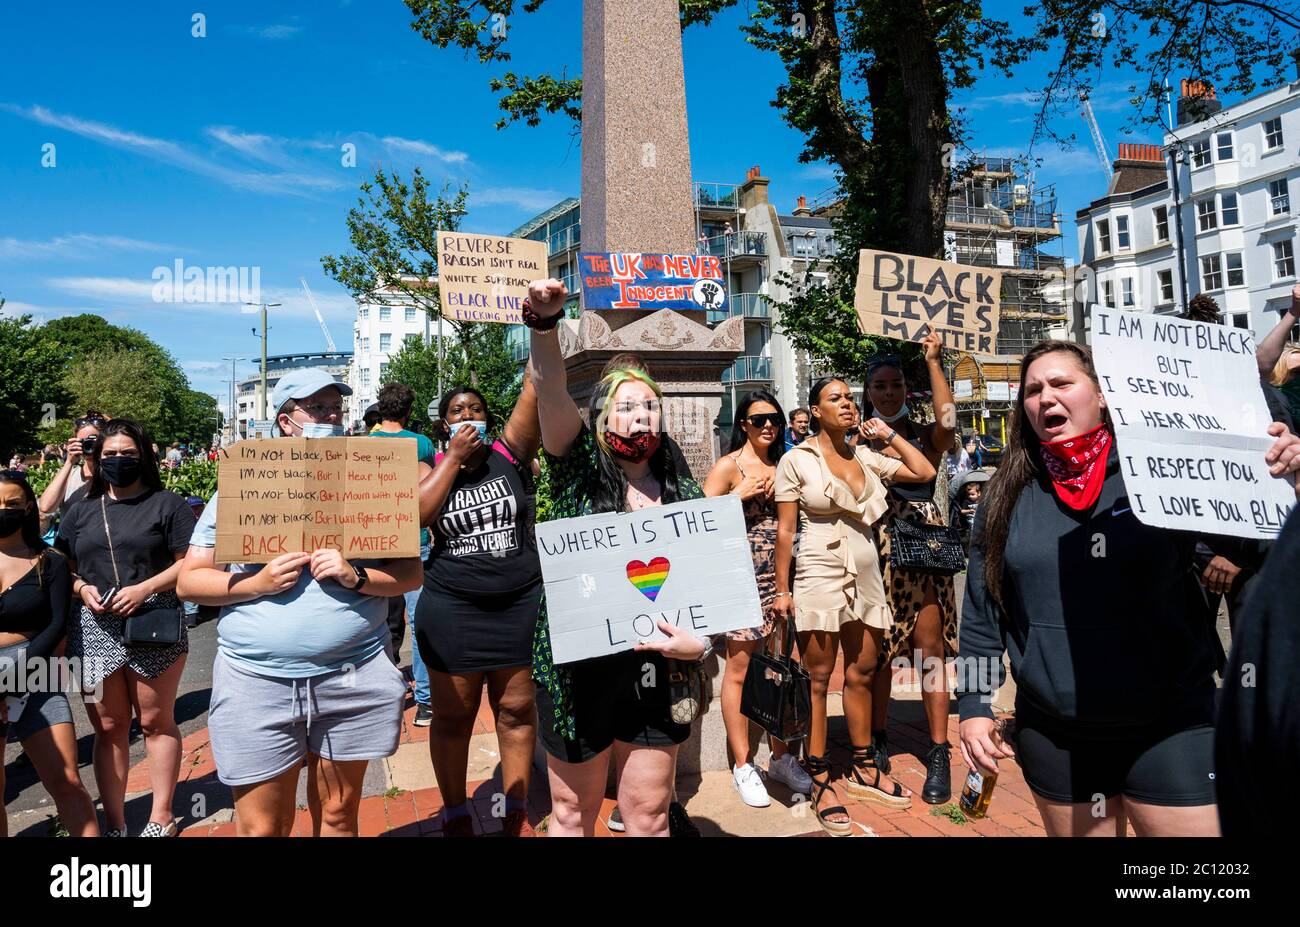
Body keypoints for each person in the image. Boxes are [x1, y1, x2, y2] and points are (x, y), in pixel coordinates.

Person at [956, 340, 1300, 837]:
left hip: (1171, 725)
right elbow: (982, 612)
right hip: (1058, 734)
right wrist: (972, 706)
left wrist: (1279, 477)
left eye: (1061, 383)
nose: (1045, 398)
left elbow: (1260, 547)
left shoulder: (1164, 473)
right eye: (1032, 391)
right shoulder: (1006, 494)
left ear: (1101, 396)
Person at [177, 369, 422, 837]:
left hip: (352, 677)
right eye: (318, 408)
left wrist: (358, 576)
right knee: (263, 827)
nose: (331, 416)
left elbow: (410, 575)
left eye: (336, 408)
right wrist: (259, 583)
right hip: (257, 683)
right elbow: (190, 583)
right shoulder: (242, 486)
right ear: (287, 422)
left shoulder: (369, 486)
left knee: (338, 817)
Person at [525, 278, 712, 838]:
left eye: (651, 406)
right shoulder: (573, 464)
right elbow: (551, 389)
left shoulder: (684, 492)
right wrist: (543, 324)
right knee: (573, 813)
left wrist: (701, 642)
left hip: (657, 671)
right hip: (578, 674)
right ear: (602, 417)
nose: (641, 417)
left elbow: (708, 584)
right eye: (628, 407)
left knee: (650, 816)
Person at [773, 376, 937, 835]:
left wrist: (889, 435)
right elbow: (787, 531)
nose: (845, 404)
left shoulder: (866, 456)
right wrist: (783, 591)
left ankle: (865, 764)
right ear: (815, 410)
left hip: (866, 571)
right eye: (834, 399)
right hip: (818, 571)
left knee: (864, 669)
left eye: (849, 398)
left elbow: (924, 473)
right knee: (819, 678)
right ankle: (820, 773)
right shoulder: (796, 460)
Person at [415, 377, 543, 837]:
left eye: (475, 409)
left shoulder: (508, 453)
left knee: (516, 710)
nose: (467, 417)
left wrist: (541, 321)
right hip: (453, 609)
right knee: (453, 716)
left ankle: (515, 804)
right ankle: (454, 810)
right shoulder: (427, 467)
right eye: (456, 411)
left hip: (518, 606)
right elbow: (417, 516)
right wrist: (452, 460)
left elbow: (534, 386)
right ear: (442, 424)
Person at [57, 419, 196, 837]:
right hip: (94, 628)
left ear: (145, 456)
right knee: (110, 728)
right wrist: (81, 588)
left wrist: (144, 589)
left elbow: (189, 562)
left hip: (154, 621)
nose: (118, 461)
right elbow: (62, 562)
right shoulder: (80, 505)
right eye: (111, 454)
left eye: (128, 454)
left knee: (156, 722)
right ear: (97, 459)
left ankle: (161, 816)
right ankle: (115, 821)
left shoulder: (167, 504)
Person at [859, 332, 960, 804]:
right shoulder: (855, 436)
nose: (889, 392)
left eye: (896, 383)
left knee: (929, 646)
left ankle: (938, 749)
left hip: (921, 544)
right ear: (868, 392)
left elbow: (949, 423)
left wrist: (934, 362)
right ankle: (877, 737)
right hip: (874, 545)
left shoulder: (921, 433)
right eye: (879, 385)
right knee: (876, 648)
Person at [703, 391, 813, 808]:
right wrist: (740, 495)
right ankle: (743, 765)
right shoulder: (729, 466)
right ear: (743, 425)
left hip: (787, 578)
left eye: (774, 418)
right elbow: (697, 521)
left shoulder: (789, 462)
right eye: (759, 418)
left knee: (782, 669)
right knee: (741, 668)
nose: (769, 424)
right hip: (742, 580)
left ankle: (781, 758)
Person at [0, 470, 98, 837]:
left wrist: (10, 681)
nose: (3, 511)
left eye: (11, 504)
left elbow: (56, 625)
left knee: (67, 780)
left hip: (35, 670)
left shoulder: (49, 561)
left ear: (28, 508)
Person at [370, 382, 437, 721]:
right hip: (414, 541)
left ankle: (383, 695)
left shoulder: (365, 444)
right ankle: (425, 701)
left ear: (381, 409)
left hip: (373, 542)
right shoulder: (421, 443)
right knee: (419, 621)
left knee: (376, 620)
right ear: (410, 411)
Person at [38, 412, 108, 523]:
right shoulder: (69, 475)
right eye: (83, 442)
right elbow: (46, 508)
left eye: (95, 441)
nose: (89, 446)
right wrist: (69, 462)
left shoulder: (114, 475)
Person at [948, 469, 989, 552]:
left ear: (979, 493)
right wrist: (970, 511)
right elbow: (962, 511)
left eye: (972, 494)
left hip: (980, 522)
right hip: (968, 524)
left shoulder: (983, 500)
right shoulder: (966, 501)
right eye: (968, 494)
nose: (970, 496)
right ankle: (968, 550)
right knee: (969, 536)